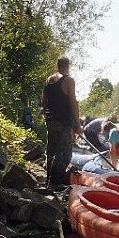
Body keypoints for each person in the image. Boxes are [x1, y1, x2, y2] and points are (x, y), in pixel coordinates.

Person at [41, 56, 80, 187]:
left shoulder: (48, 81)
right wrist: (78, 124)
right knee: (64, 153)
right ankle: (54, 182)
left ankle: (48, 180)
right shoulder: (68, 80)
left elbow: (44, 102)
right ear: (68, 66)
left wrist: (47, 116)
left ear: (57, 65)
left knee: (52, 149)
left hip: (51, 120)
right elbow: (73, 103)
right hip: (63, 121)